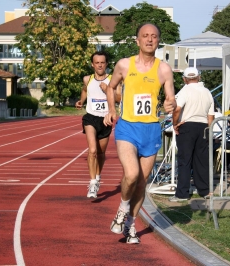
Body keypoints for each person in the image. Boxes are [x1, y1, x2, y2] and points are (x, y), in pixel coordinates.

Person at [103, 23, 176, 244]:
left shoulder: (164, 69)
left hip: (152, 130)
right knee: (132, 174)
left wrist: (170, 104)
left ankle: (131, 225)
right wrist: (112, 109)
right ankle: (122, 210)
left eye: (154, 36)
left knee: (142, 183)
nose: (149, 39)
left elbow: (171, 98)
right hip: (128, 127)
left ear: (158, 41)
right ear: (137, 40)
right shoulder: (124, 65)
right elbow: (110, 86)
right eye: (145, 36)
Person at [169, 67, 215, 202]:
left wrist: (175, 123)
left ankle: (182, 193)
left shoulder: (185, 91)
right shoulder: (207, 92)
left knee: (185, 160)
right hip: (203, 126)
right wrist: (209, 129)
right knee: (201, 160)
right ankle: (205, 190)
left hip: (187, 125)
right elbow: (210, 115)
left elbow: (177, 108)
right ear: (199, 77)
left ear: (184, 79)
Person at [75, 51, 113, 199]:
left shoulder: (112, 80)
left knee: (101, 153)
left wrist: (108, 90)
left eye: (102, 62)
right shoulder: (87, 79)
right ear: (92, 64)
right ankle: (92, 183)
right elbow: (85, 90)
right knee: (92, 150)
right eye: (97, 63)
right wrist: (81, 101)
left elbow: (119, 97)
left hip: (106, 119)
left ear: (106, 64)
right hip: (90, 118)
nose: (100, 65)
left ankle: (97, 177)